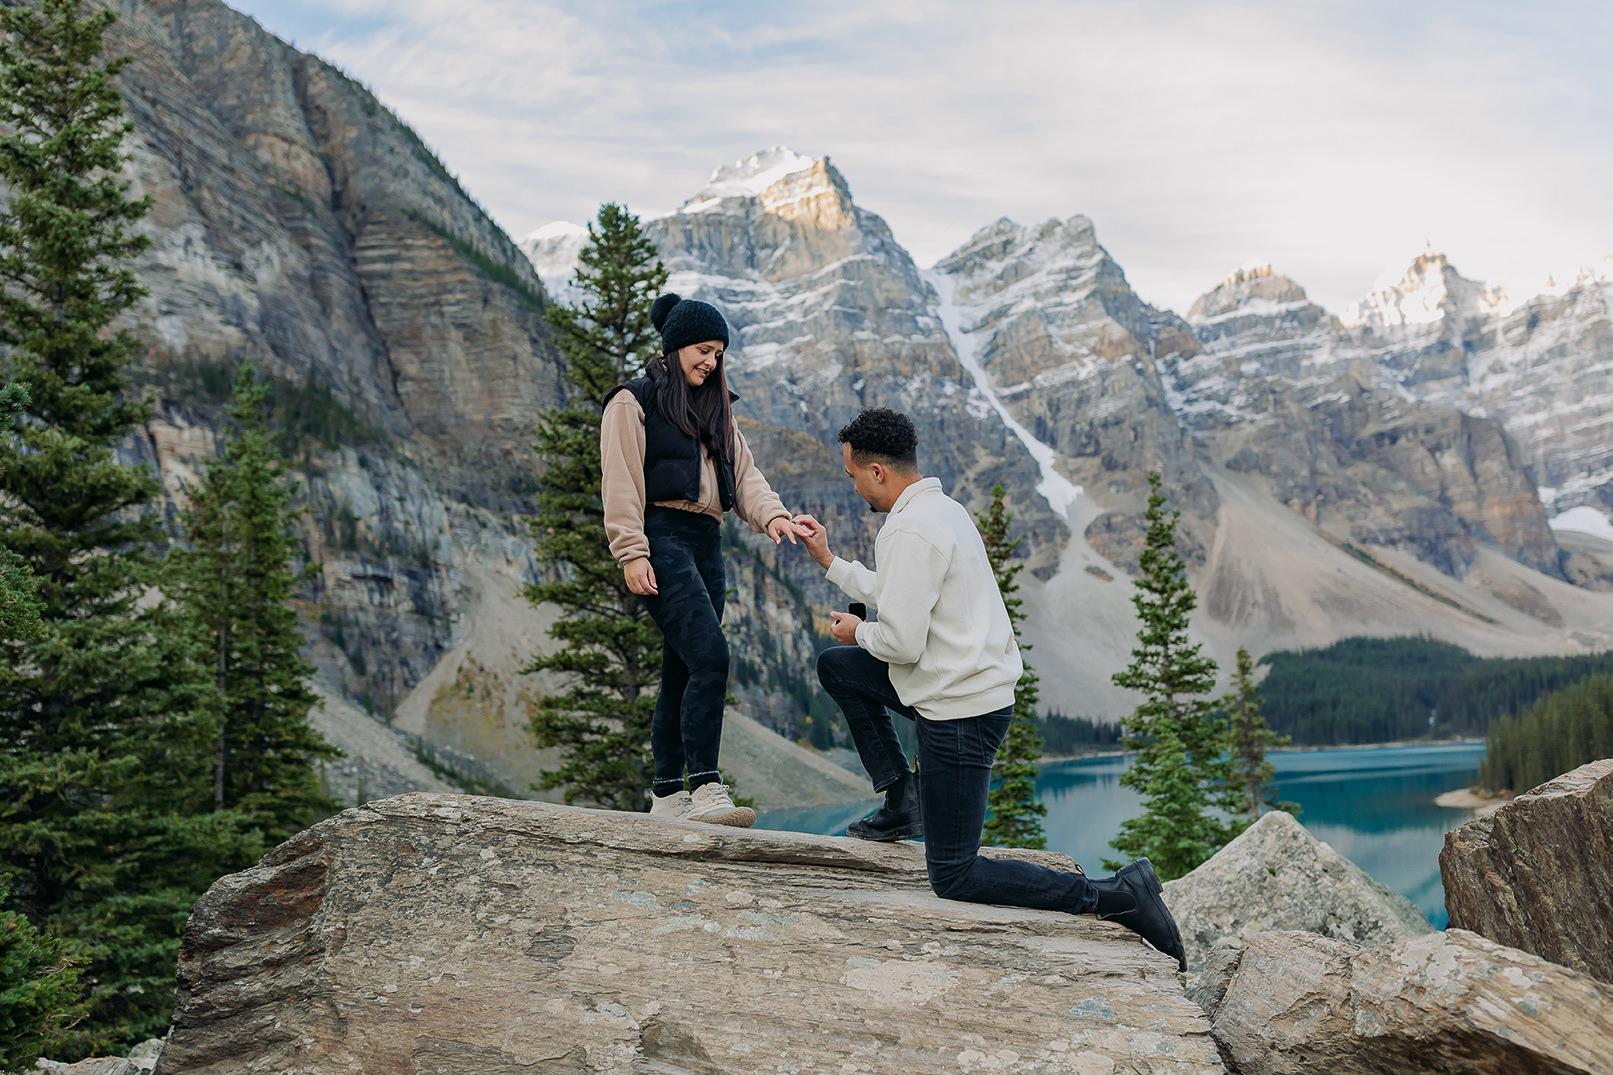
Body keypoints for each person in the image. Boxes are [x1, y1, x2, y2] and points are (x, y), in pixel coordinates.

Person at [792, 407, 1187, 971]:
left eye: (853, 475)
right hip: (958, 687)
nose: (853, 488)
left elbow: (901, 642)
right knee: (838, 667)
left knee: (954, 874)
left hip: (959, 711)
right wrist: (830, 561)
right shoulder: (942, 511)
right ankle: (903, 798)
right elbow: (905, 592)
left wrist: (860, 631)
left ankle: (1119, 896)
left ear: (877, 471)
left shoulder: (907, 528)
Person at [601, 293, 806, 827]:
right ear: (674, 347)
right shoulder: (633, 400)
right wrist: (631, 552)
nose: (710, 361)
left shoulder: (719, 409)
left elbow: (745, 478)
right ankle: (707, 786)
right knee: (712, 657)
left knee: (683, 669)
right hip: (661, 537)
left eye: (718, 352)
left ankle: (668, 794)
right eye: (702, 349)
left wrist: (775, 518)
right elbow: (620, 481)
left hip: (707, 543)